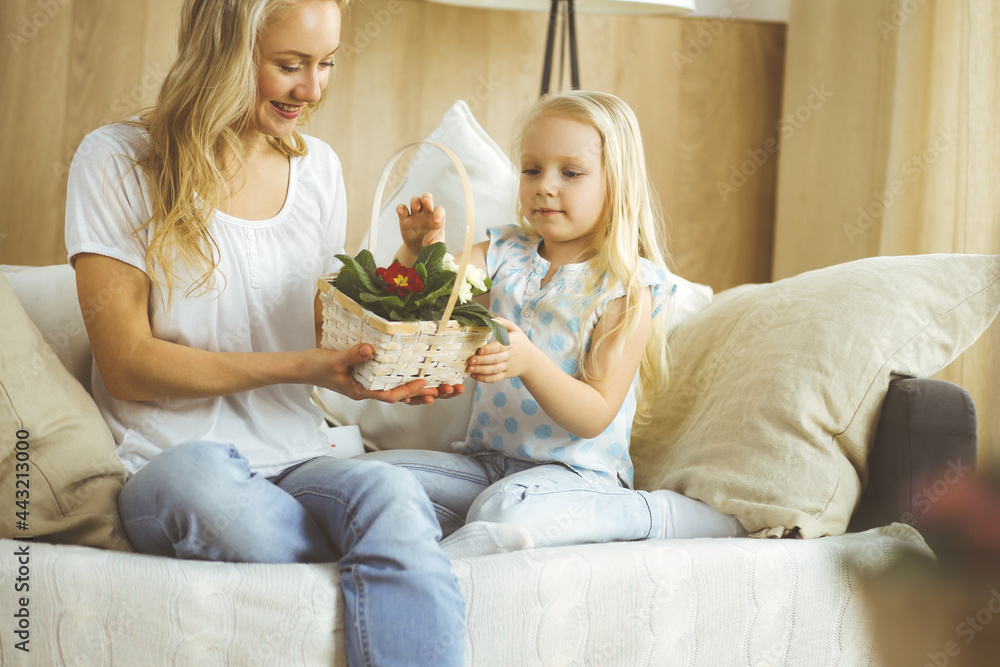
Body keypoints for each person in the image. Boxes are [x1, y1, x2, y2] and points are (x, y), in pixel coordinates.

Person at [63, 1, 465, 665]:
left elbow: (317, 328)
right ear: (223, 54)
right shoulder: (119, 161)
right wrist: (302, 368)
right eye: (289, 65)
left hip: (297, 457)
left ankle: (384, 544)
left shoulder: (318, 170)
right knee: (207, 488)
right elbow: (127, 362)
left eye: (326, 63)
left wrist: (396, 300)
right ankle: (384, 554)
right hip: (169, 460)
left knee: (391, 488)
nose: (313, 89)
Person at [365, 90, 745, 551]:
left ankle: (648, 513)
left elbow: (594, 416)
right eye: (531, 169)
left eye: (570, 173)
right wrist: (415, 250)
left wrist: (528, 361)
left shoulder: (625, 288)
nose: (544, 185)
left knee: (500, 511)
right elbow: (424, 298)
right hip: (488, 465)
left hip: (574, 477)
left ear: (616, 184)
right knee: (373, 481)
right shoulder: (504, 252)